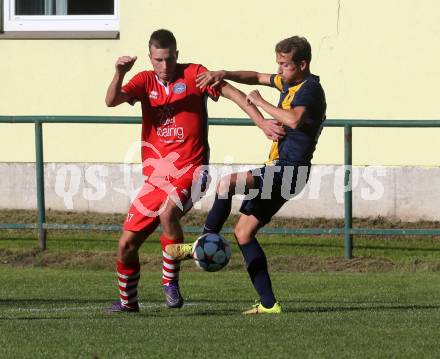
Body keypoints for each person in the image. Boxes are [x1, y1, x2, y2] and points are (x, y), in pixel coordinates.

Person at [105, 29, 284, 312]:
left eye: (169, 59)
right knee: (126, 244)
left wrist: (261, 122)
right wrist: (119, 73)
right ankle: (128, 304)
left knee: (168, 212)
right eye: (158, 60)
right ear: (151, 58)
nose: (164, 67)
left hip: (192, 171)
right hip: (156, 178)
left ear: (177, 54)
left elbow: (235, 94)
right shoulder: (144, 80)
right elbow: (111, 100)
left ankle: (170, 283)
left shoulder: (195, 75)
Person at [166, 36, 326, 314]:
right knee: (243, 232)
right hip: (283, 170)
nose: (278, 70)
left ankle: (201, 242)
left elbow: (294, 119)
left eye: (285, 65)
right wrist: (224, 74)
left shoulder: (310, 88)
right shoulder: (288, 81)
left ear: (303, 64)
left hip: (289, 170)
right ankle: (268, 304)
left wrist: (262, 103)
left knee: (227, 183)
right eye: (278, 63)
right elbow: (254, 76)